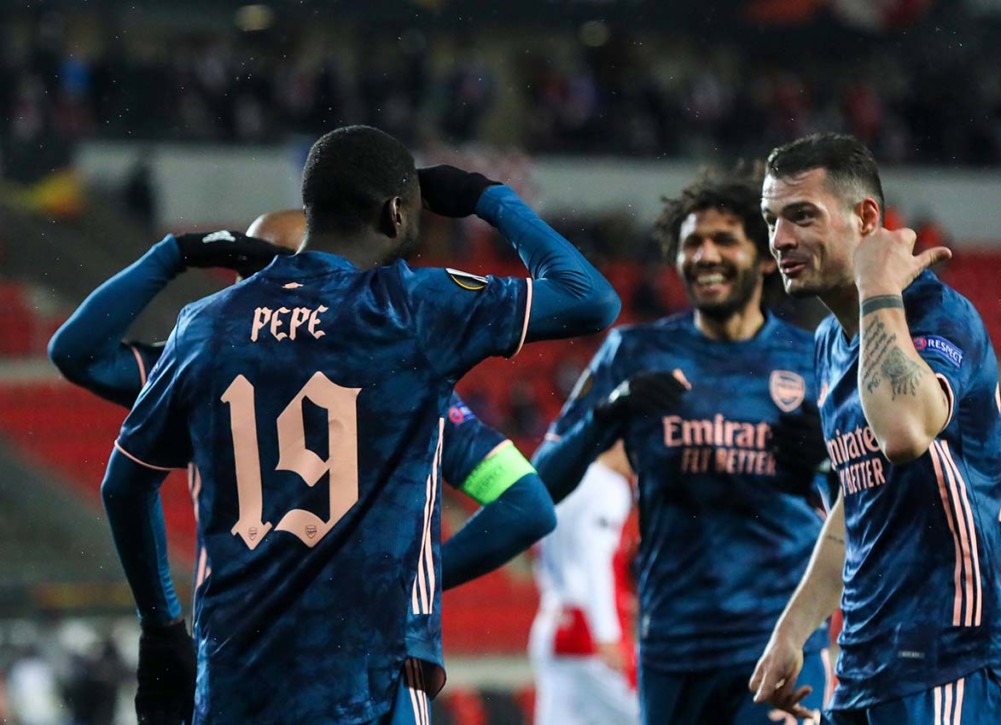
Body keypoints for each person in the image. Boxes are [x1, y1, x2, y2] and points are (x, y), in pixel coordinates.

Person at [96, 125, 621, 725]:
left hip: (235, 676)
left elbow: (124, 484)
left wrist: (162, 628)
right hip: (368, 677)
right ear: (396, 214)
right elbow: (590, 299)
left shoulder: (204, 326)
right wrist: (487, 197)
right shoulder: (414, 308)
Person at [532, 164, 832, 724]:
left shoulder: (816, 358)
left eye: (724, 240)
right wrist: (606, 416)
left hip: (782, 641)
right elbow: (539, 484)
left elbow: (867, 499)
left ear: (766, 258)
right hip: (673, 649)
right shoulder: (633, 354)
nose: (705, 255)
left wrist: (830, 458)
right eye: (692, 243)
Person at [750, 132, 1001, 724]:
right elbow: (858, 501)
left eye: (802, 216)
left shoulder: (937, 315)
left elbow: (902, 434)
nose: (780, 239)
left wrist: (876, 283)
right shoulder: (829, 341)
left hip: (950, 662)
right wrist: (794, 629)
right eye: (772, 220)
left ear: (867, 219)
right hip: (864, 669)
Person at [529, 441, 640, 725]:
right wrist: (606, 632)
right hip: (587, 632)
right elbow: (595, 558)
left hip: (553, 623)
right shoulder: (609, 486)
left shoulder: (566, 477)